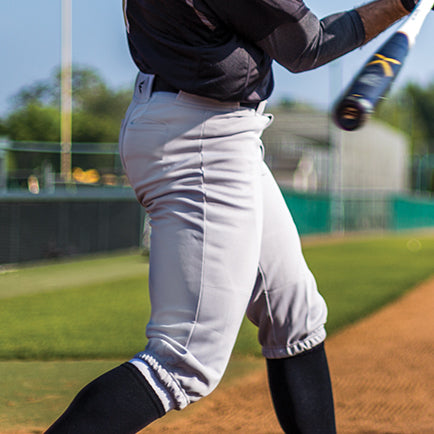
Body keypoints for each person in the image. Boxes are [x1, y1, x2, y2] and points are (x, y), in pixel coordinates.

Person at [46, 0, 422, 432]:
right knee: (184, 361)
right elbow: (309, 45)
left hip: (202, 126)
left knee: (294, 315)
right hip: (202, 139)